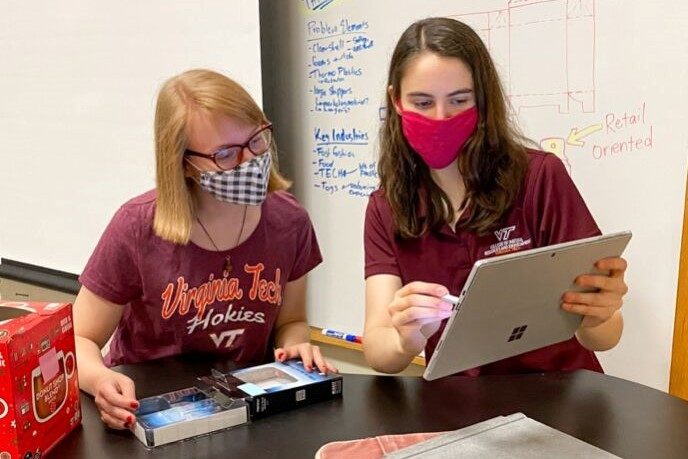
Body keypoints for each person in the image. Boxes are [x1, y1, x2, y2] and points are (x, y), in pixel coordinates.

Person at [363, 18, 628, 375]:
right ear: (396, 100)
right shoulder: (387, 206)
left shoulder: (538, 177)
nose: (441, 118)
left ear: (482, 99)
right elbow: (379, 352)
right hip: (459, 409)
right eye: (422, 102)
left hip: (560, 397)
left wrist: (599, 317)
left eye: (459, 100)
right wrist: (405, 338)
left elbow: (604, 337)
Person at [73, 69, 336, 430]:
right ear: (184, 164)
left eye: (257, 141)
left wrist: (294, 350)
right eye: (226, 154)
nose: (249, 162)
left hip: (243, 409)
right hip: (152, 411)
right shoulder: (136, 227)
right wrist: (99, 379)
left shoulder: (289, 222)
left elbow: (291, 321)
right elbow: (81, 336)